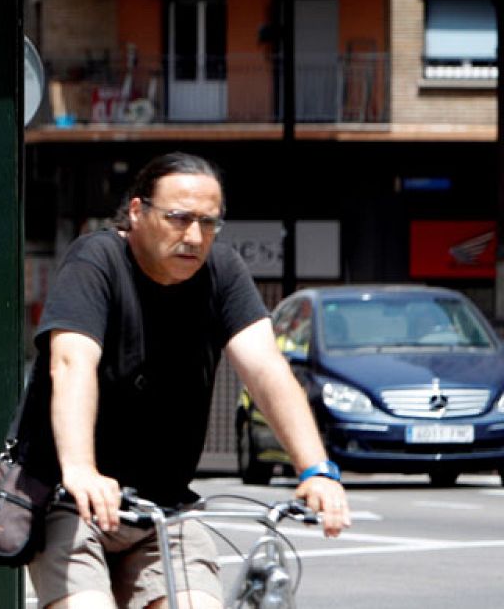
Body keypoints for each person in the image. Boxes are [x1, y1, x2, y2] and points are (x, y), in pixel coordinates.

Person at [26, 153, 350, 609]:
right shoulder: (97, 260)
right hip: (73, 499)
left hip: (166, 506)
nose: (194, 237)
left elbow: (265, 367)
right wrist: (81, 469)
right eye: (178, 219)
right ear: (138, 212)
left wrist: (315, 469)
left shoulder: (221, 271)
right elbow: (71, 362)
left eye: (208, 223)